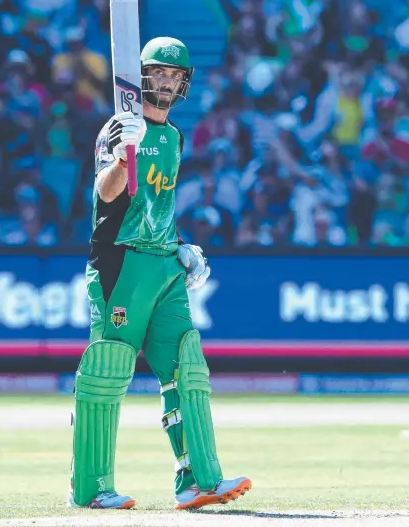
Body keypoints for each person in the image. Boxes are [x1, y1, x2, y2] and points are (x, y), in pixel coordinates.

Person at [69, 37, 252, 511]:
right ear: (143, 77)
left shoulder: (173, 135)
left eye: (176, 76)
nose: (168, 82)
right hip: (121, 263)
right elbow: (108, 194)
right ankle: (91, 488)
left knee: (187, 367)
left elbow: (157, 203)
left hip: (163, 263)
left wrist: (180, 245)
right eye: (161, 74)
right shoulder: (118, 127)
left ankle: (198, 481)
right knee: (107, 371)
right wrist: (122, 153)